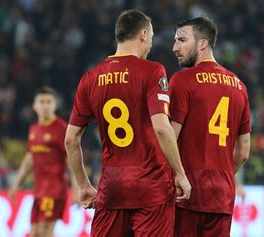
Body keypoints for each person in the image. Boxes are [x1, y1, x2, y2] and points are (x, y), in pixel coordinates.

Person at [64, 10, 191, 237]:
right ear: (143, 35)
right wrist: (180, 173)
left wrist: (83, 184)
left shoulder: (90, 78)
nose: (151, 44)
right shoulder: (152, 71)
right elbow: (162, 127)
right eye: (151, 37)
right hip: (152, 187)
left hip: (112, 187)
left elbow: (71, 139)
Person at [169, 17, 251, 237]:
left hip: (185, 194)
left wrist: (177, 175)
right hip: (222, 194)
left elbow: (168, 137)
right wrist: (221, 175)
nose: (175, 47)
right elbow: (243, 153)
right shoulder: (239, 86)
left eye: (181, 40)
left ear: (202, 43)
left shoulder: (182, 81)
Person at [8, 87, 71, 237]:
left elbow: (72, 158)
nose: (45, 105)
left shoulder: (62, 129)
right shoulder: (34, 129)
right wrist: (16, 184)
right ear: (34, 106)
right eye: (42, 102)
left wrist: (78, 186)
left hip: (54, 190)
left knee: (45, 231)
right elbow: (30, 158)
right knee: (35, 233)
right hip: (39, 190)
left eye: (49, 101)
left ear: (55, 105)